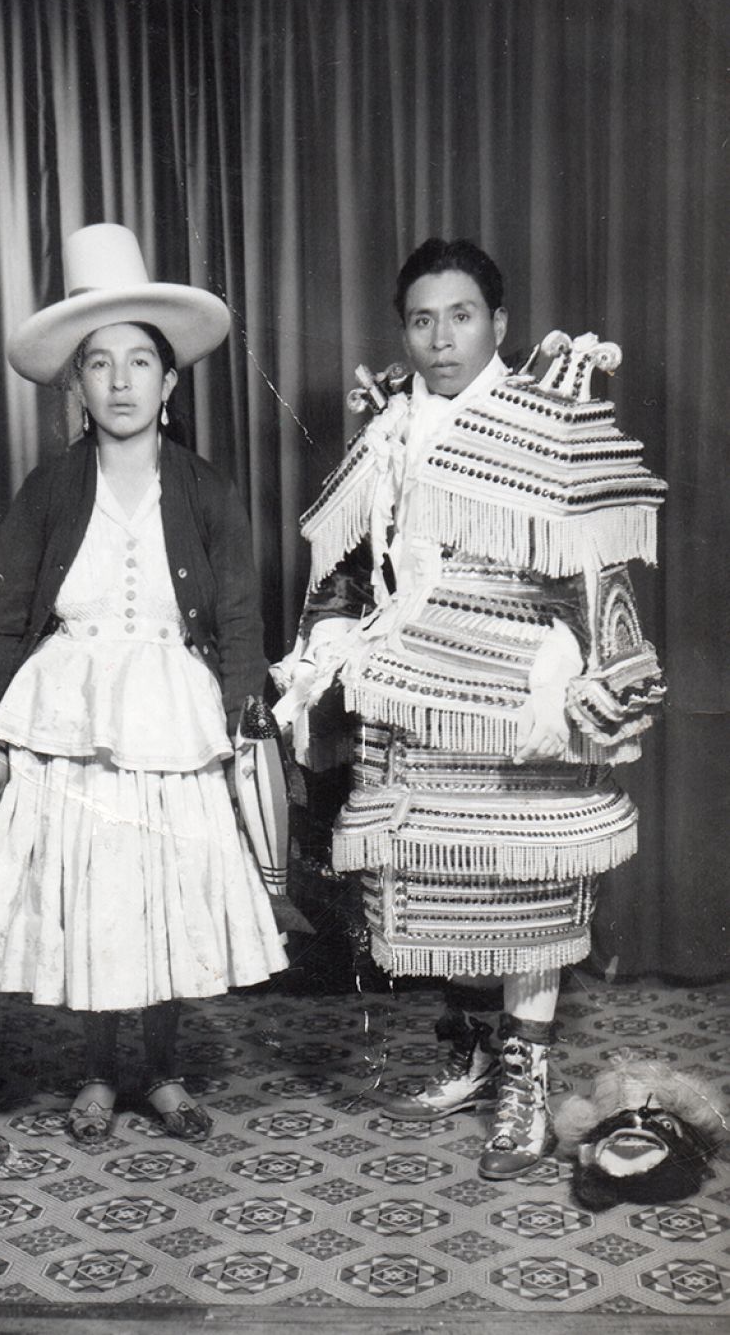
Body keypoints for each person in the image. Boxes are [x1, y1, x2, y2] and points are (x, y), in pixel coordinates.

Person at [274, 238, 664, 1178]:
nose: (441, 339)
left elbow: (594, 567)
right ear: (403, 330)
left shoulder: (547, 419)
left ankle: (526, 1077)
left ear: (497, 322)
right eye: (422, 320)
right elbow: (350, 570)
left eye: (460, 316)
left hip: (525, 690)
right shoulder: (388, 432)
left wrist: (578, 674)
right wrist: (326, 648)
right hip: (411, 696)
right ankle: (473, 1047)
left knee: (529, 889)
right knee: (441, 880)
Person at [0, 223, 288, 1143]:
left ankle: (162, 1070)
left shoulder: (204, 490)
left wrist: (243, 729)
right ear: (75, 383)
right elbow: (7, 619)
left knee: (159, 892)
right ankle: (100, 1072)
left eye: (140, 361)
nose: (120, 382)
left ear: (170, 381)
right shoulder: (47, 491)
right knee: (94, 893)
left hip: (168, 715)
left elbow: (239, 618)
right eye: (99, 363)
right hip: (71, 719)